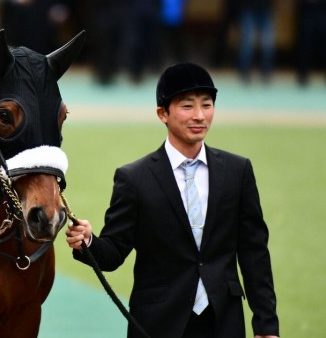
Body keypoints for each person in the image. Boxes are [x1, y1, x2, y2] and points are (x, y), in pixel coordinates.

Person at [66, 62, 279, 338]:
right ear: (162, 113)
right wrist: (88, 241)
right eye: (187, 106)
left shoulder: (238, 172)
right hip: (157, 323)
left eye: (207, 104)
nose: (199, 116)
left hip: (223, 322)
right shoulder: (134, 178)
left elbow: (254, 253)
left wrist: (266, 325)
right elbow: (113, 252)